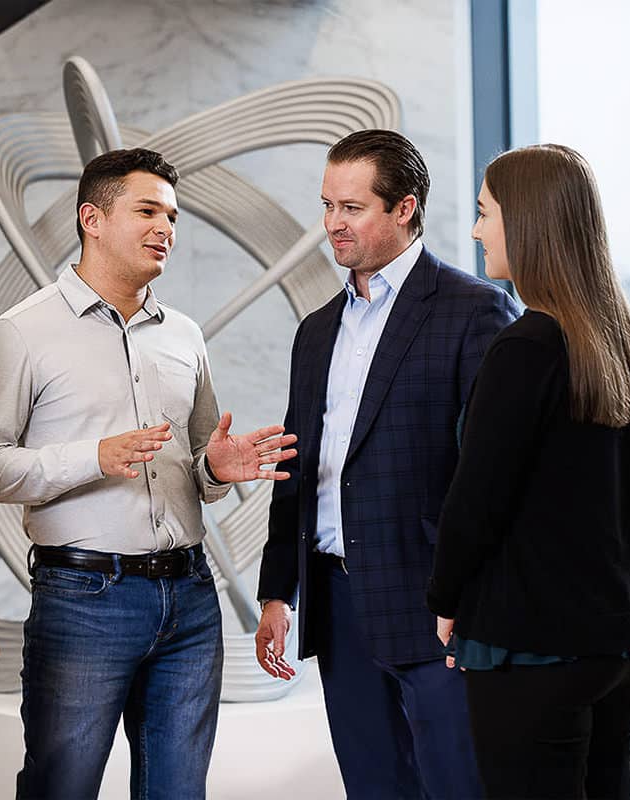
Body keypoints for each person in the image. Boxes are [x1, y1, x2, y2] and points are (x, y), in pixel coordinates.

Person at [0, 147, 297, 800]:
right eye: (147, 211)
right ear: (93, 219)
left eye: (172, 216)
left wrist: (216, 469)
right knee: (62, 788)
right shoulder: (21, 333)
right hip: (85, 600)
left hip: (191, 598)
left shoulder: (185, 335)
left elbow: (198, 468)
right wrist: (93, 457)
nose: (165, 228)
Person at [255, 129, 519, 799]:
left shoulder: (474, 312)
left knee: (459, 788)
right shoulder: (316, 330)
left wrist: (477, 597)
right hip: (338, 607)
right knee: (372, 787)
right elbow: (300, 466)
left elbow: (499, 475)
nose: (332, 224)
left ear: (405, 208)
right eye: (327, 205)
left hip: (437, 606)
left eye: (352, 208)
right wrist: (277, 592)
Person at [426, 143, 630, 800]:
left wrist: (445, 599)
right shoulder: (625, 341)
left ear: (527, 222)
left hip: (536, 644)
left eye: (485, 213)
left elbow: (478, 500)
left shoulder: (525, 348)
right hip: (626, 639)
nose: (476, 231)